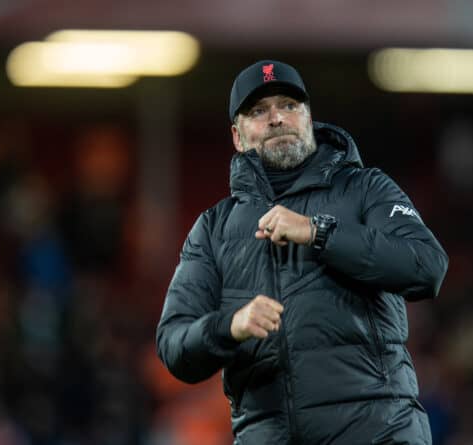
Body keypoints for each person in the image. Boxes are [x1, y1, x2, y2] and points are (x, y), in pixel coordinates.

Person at [156, 59, 449, 444]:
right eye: (259, 111)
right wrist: (229, 326)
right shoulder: (213, 230)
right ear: (237, 137)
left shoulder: (366, 189)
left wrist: (317, 232)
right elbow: (173, 345)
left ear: (309, 118)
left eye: (289, 105)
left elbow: (427, 266)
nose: (276, 118)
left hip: (379, 433)